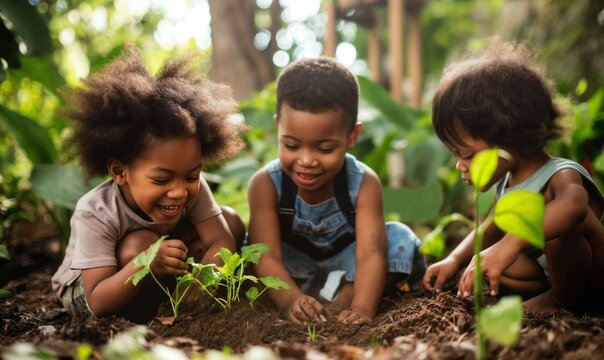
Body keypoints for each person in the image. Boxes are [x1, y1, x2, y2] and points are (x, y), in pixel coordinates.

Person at [51, 45, 247, 323]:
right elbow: (98, 301)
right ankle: (147, 310)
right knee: (140, 245)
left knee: (230, 220)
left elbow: (221, 238)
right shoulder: (95, 211)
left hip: (152, 257)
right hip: (92, 288)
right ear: (120, 171)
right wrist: (145, 263)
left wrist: (200, 282)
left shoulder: (191, 185)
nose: (180, 191)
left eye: (191, 176)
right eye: (161, 179)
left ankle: (170, 297)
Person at [422, 39, 604, 314]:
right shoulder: (509, 184)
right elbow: (487, 230)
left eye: (468, 155)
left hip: (595, 273)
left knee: (557, 225)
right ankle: (551, 292)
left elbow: (575, 206)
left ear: (510, 136)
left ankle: (563, 300)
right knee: (486, 256)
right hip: (550, 271)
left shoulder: (559, 174)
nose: (459, 165)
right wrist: (455, 259)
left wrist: (511, 243)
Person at [247, 57, 426, 325]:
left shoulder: (363, 183)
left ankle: (347, 295)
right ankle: (307, 298)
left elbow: (370, 253)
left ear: (351, 136)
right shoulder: (265, 184)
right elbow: (268, 255)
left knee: (399, 240)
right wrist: (290, 301)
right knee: (251, 253)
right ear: (278, 127)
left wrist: (362, 309)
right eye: (292, 145)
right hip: (291, 270)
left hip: (350, 267)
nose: (306, 160)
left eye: (325, 148)